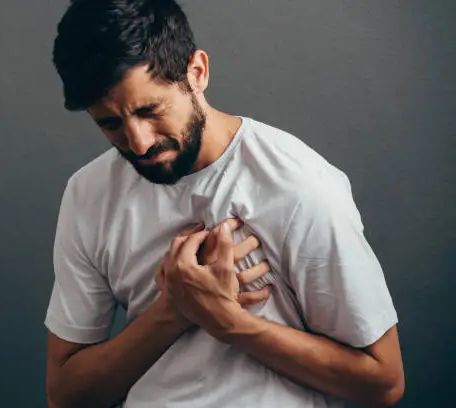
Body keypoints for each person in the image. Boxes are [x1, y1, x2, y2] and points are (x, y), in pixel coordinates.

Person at [44, 1, 405, 407]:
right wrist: (172, 312)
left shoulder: (299, 187)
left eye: (151, 110)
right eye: (109, 124)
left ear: (197, 73)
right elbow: (66, 396)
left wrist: (228, 322)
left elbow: (383, 381)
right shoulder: (88, 193)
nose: (139, 143)